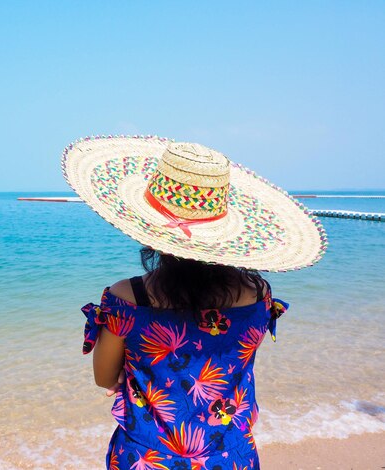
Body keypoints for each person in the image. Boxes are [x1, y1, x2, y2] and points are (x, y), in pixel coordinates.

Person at [61, 137, 327, 469]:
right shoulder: (258, 295)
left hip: (147, 458)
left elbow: (104, 377)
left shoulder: (127, 299)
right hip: (230, 456)